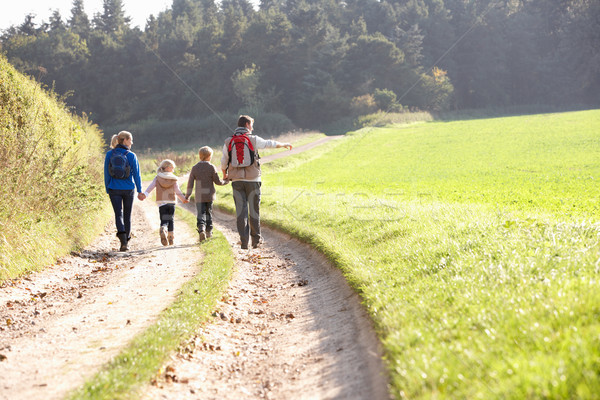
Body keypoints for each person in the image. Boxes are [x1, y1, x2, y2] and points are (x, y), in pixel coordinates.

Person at [221, 115, 292, 249]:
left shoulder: (228, 141)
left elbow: (224, 161)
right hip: (253, 179)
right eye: (251, 125)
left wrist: (225, 174)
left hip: (236, 180)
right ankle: (256, 241)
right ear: (247, 124)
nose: (252, 127)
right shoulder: (253, 139)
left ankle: (243, 242)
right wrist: (283, 144)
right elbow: (269, 144)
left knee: (241, 212)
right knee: (254, 211)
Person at [104, 131, 144, 251]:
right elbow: (137, 175)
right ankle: (126, 241)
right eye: (130, 140)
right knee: (127, 214)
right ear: (125, 140)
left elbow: (106, 173)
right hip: (128, 189)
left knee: (118, 214)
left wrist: (108, 188)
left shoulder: (109, 154)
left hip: (114, 188)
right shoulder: (131, 155)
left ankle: (122, 241)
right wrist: (139, 190)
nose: (132, 142)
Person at [140, 159, 188, 246]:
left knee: (164, 219)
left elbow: (151, 186)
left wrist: (145, 194)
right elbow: (177, 191)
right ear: (169, 168)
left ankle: (163, 228)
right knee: (171, 219)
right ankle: (170, 237)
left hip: (161, 202)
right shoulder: (173, 179)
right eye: (173, 168)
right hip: (171, 202)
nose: (173, 170)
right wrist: (183, 199)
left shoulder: (158, 177)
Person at [186, 146, 229, 242]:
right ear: (209, 156)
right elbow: (217, 182)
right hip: (209, 196)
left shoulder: (195, 168)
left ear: (200, 156)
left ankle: (201, 229)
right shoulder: (211, 167)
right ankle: (209, 233)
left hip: (199, 196)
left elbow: (190, 183)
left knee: (200, 214)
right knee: (209, 213)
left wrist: (187, 195)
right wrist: (226, 181)